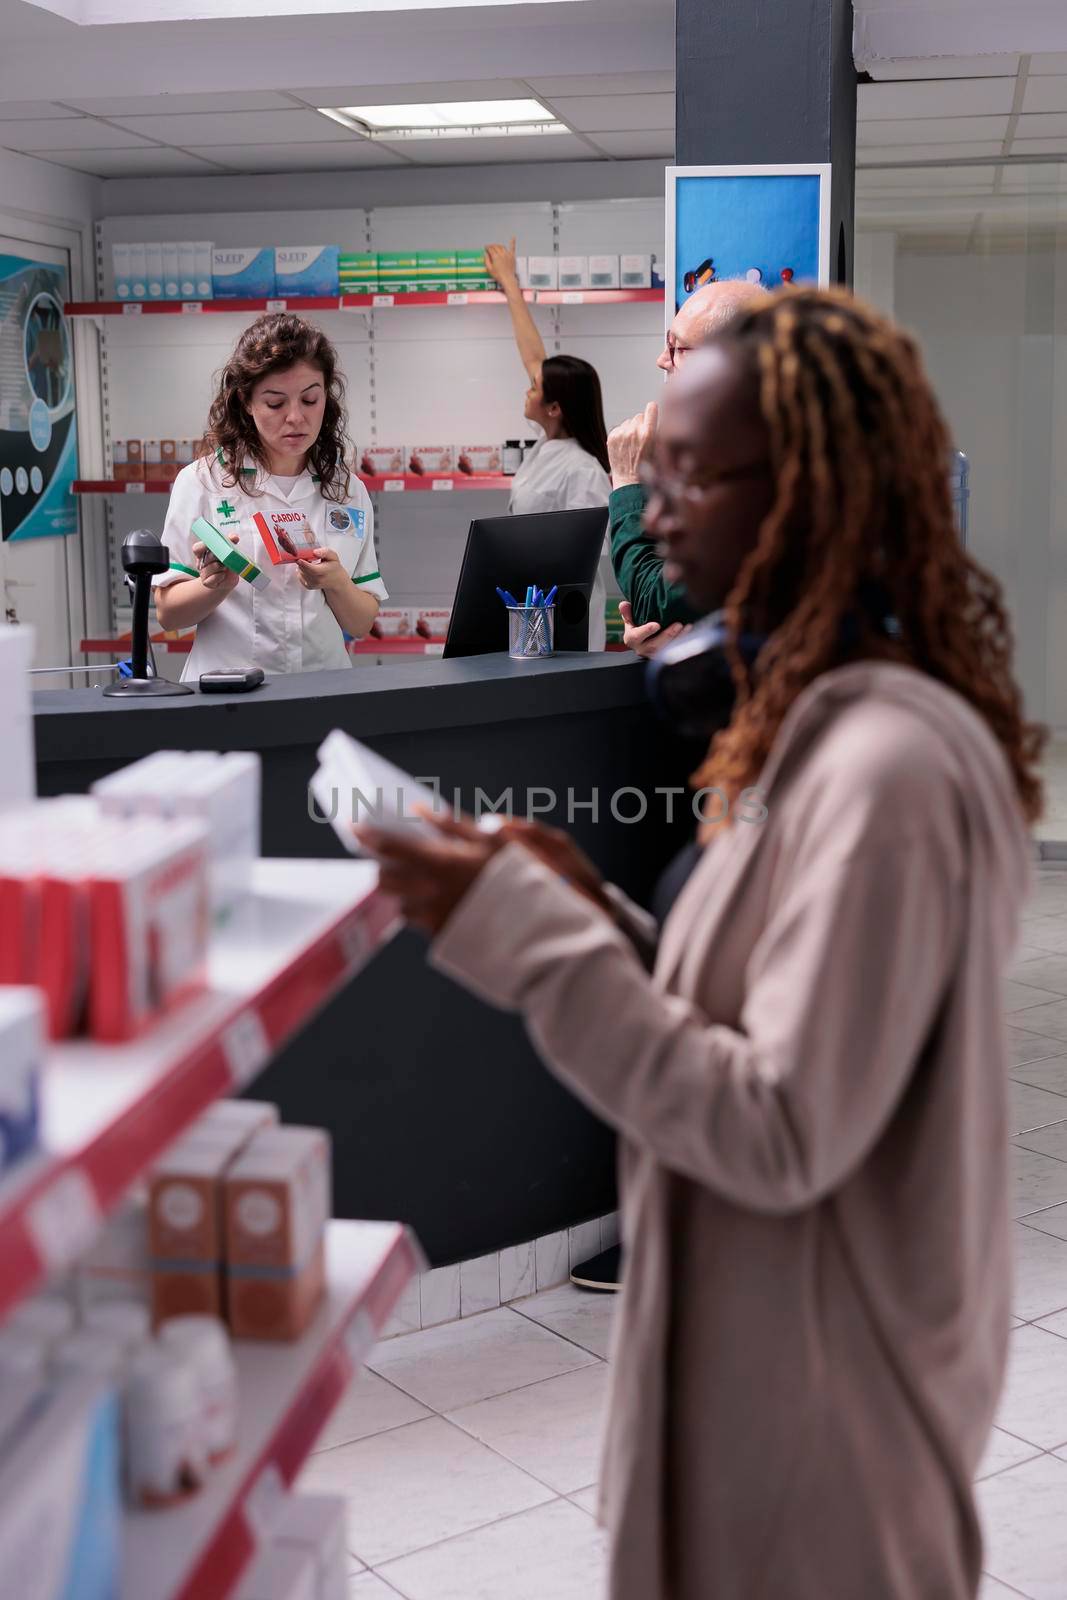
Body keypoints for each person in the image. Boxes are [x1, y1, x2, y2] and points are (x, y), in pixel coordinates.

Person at [356, 287, 1042, 1600]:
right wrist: (583, 905)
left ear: (810, 494)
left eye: (688, 476)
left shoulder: (885, 768)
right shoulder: (817, 721)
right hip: (761, 1388)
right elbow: (751, 1013)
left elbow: (774, 1125)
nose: (653, 511)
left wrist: (532, 944)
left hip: (821, 1447)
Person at [154, 313, 386, 681]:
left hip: (323, 688)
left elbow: (360, 623)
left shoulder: (346, 489)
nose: (296, 417)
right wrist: (214, 586)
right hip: (227, 695)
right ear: (246, 401)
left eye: (310, 399)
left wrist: (337, 582)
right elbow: (168, 614)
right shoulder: (202, 482)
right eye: (275, 404)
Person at [609, 277, 768, 658]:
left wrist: (628, 482)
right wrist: (662, 633)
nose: (663, 360)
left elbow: (659, 600)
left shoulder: (761, 476)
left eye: (676, 347)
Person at [485, 239, 613, 650]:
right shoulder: (547, 447)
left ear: (555, 407)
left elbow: (583, 555)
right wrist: (509, 282)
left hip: (561, 616)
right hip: (529, 603)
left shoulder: (583, 469)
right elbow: (533, 353)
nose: (527, 388)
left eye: (534, 387)